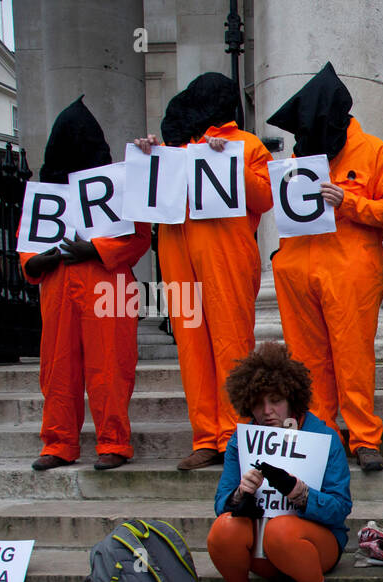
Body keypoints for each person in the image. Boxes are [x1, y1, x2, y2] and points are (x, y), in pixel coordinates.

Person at [133, 73, 273, 471]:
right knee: (192, 348)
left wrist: (226, 160)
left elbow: (265, 197)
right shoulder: (175, 148)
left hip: (226, 254)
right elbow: (147, 200)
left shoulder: (246, 145)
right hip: (178, 252)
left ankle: (235, 436)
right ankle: (205, 437)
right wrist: (150, 156)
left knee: (231, 346)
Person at [267, 62, 383, 474]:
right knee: (306, 359)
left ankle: (364, 439)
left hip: (351, 269)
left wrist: (349, 202)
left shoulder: (374, 151)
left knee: (352, 356)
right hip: (298, 267)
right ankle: (324, 439)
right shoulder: (297, 154)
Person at [21, 96, 150, 472]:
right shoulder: (46, 195)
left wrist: (95, 249)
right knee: (58, 369)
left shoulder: (117, 189)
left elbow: (139, 237)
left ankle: (114, 442)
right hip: (60, 286)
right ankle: (59, 442)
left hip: (106, 285)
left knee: (110, 368)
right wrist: (35, 263)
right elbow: (28, 245)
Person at [208, 343, 351, 582]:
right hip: (261, 549)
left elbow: (340, 509)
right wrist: (240, 493)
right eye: (259, 403)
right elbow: (220, 504)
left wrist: (302, 493)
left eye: (275, 400)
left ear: (293, 399)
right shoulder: (240, 440)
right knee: (224, 528)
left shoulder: (324, 438)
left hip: (313, 545)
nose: (267, 411)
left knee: (280, 529)